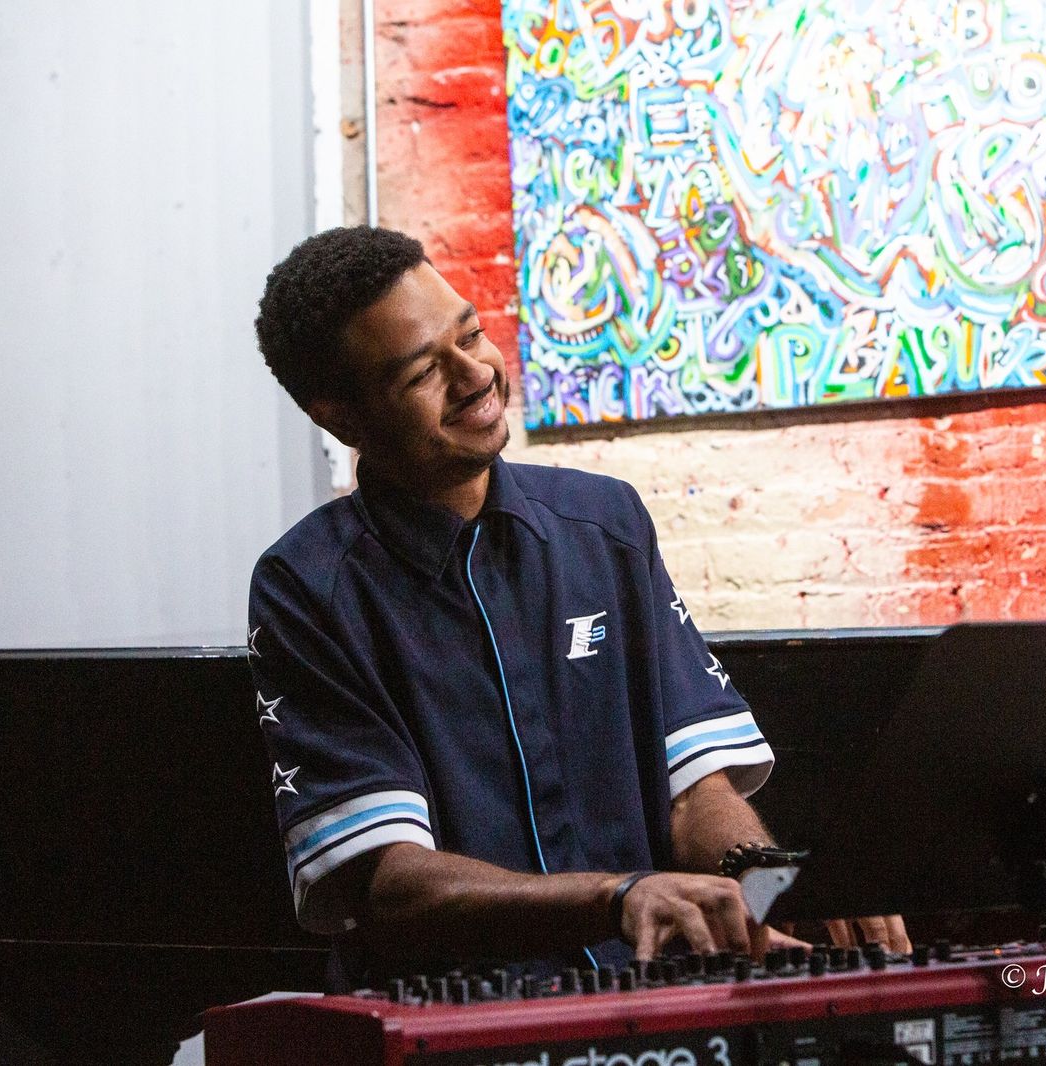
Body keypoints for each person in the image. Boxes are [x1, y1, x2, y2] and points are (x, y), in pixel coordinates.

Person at [247, 226, 891, 985]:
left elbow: (695, 794)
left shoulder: (606, 524)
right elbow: (390, 879)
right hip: (457, 1015)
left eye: (471, 336)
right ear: (342, 418)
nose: (475, 375)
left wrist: (776, 889)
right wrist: (617, 898)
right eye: (423, 371)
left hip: (649, 993)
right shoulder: (308, 587)